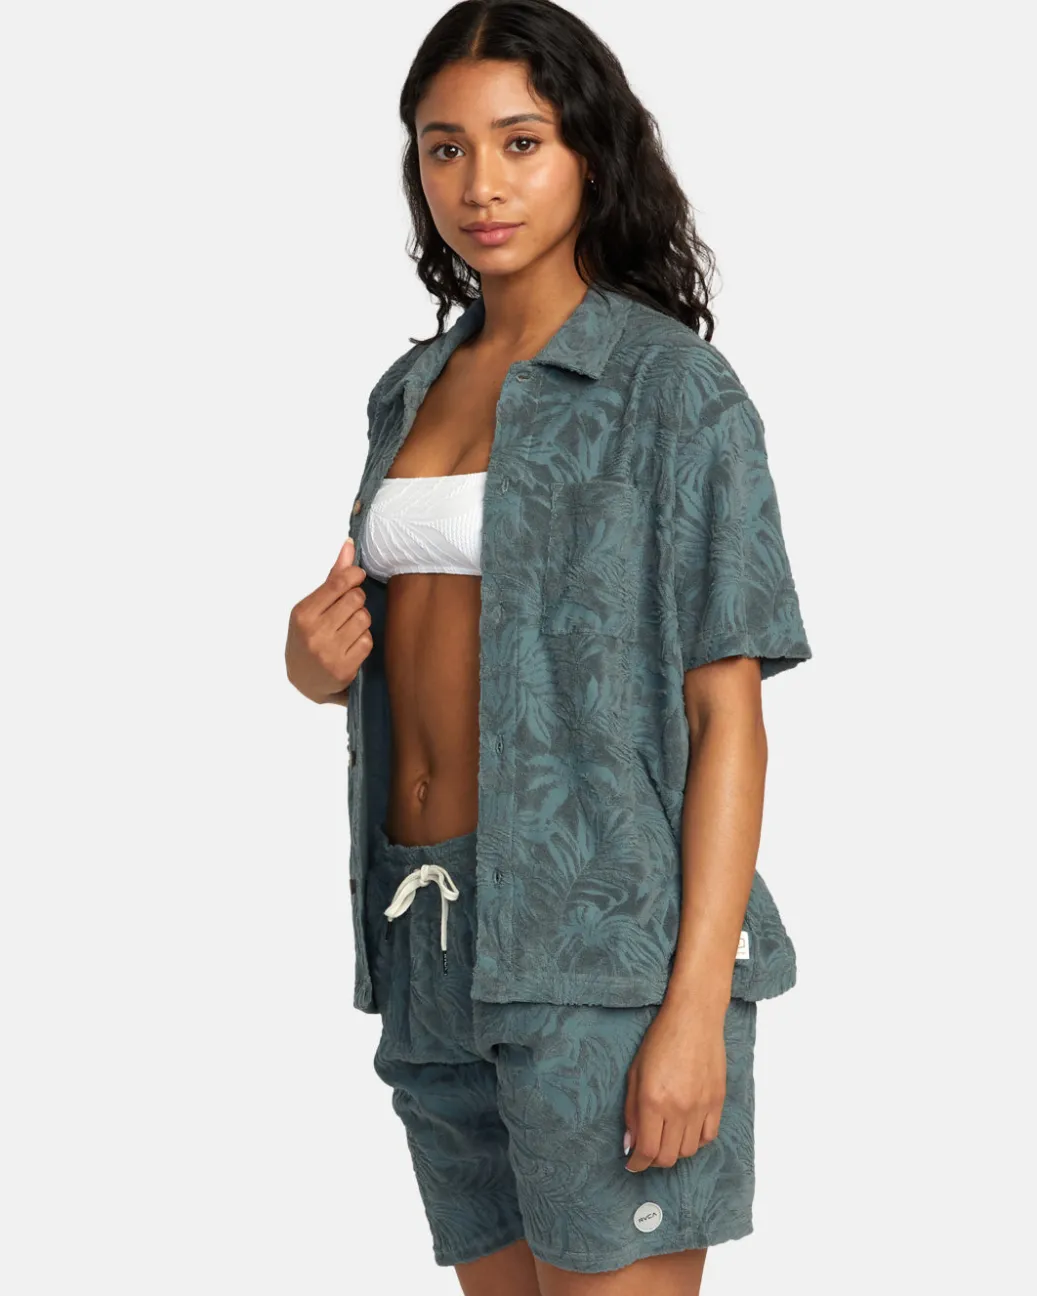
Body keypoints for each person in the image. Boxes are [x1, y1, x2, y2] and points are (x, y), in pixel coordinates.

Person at [285, 2, 812, 1292]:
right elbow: (435, 642)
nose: (481, 184)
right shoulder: (409, 388)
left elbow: (727, 716)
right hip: (429, 932)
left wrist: (694, 1008)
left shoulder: (671, 391)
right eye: (445, 148)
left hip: (603, 952)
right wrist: (315, 666)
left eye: (520, 141)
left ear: (589, 150)